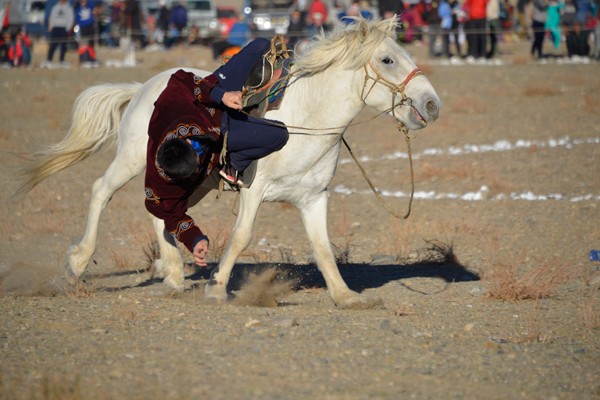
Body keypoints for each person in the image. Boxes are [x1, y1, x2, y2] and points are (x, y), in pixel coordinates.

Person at [144, 38, 289, 266]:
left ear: (183, 142)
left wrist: (221, 96)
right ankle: (233, 164)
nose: (197, 153)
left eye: (194, 149)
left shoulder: (170, 111)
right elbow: (172, 217)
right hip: (224, 133)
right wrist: (194, 240)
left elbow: (182, 79)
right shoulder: (160, 187)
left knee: (261, 44)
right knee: (280, 134)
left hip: (213, 98)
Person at [45, 0, 75, 66]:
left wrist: (68, 28)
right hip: (55, 28)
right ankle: (49, 60)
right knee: (53, 45)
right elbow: (52, 17)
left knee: (63, 45)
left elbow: (71, 18)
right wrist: (51, 26)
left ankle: (61, 60)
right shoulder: (55, 7)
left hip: (64, 28)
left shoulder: (69, 8)